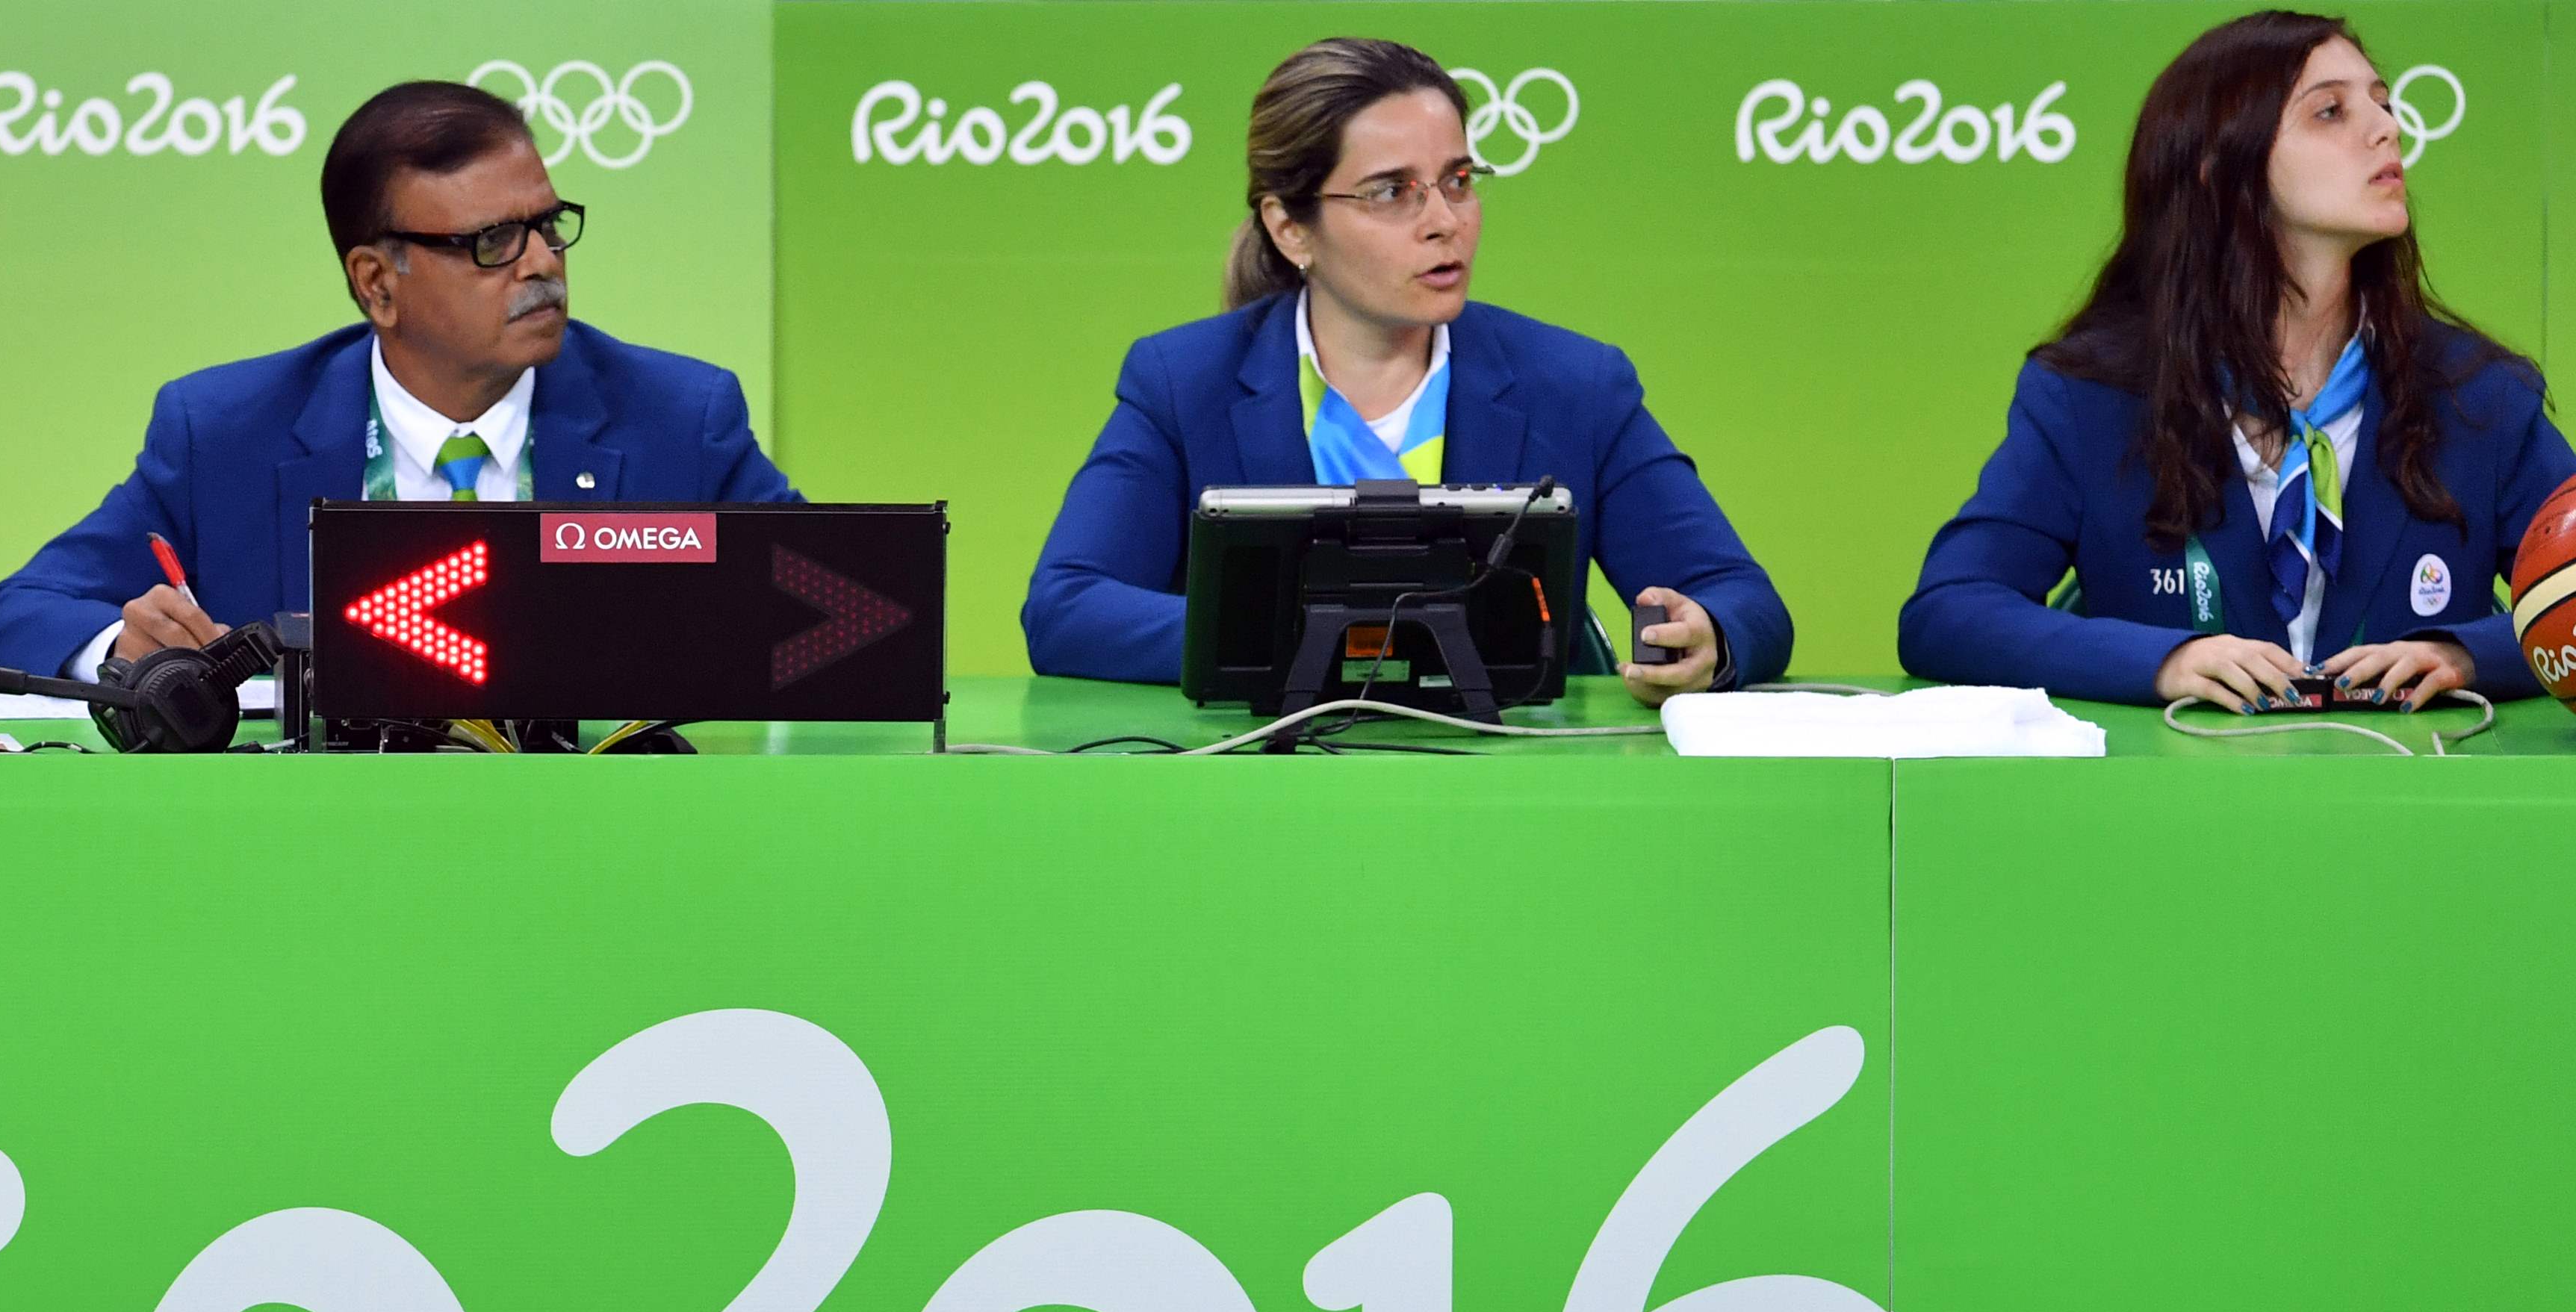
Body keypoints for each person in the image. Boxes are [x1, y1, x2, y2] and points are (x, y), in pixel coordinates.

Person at [0, 78, 793, 685]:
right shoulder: (225, 433)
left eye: (547, 225)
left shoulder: (677, 420)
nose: (542, 262)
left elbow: (833, 611)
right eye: (493, 242)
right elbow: (14, 616)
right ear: (377, 284)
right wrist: (125, 650)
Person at [1022, 38, 1787, 699]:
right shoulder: (1184, 382)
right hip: (1265, 787)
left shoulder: (1575, 387)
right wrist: (1310, 639)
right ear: (1291, 229)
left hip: (1505, 792)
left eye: (1458, 181)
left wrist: (1711, 638)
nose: (1445, 222)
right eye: (1393, 192)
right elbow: (1066, 608)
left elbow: (1741, 599)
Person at [1902, 11, 2569, 710]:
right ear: (2219, 167)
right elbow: (1948, 613)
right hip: (2180, 781)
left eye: (2382, 102)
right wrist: (2164, 663)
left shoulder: (2479, 394)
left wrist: (2466, 654)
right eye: (2331, 111)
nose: (2386, 128)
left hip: (2413, 780)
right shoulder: (2089, 396)